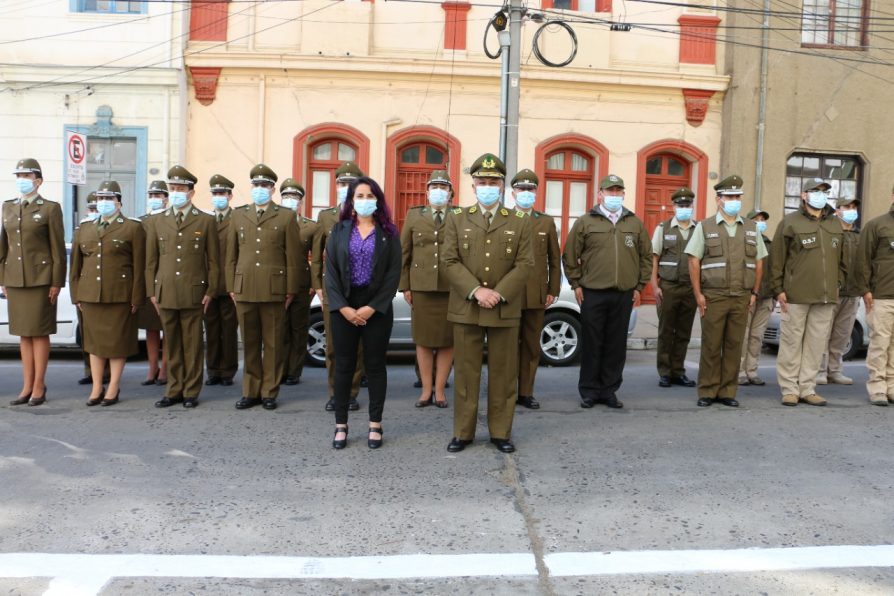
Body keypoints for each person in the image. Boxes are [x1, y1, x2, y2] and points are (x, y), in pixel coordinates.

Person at [443, 153, 533, 454]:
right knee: (466, 374)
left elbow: (525, 264)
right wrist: (476, 291)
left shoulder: (520, 221)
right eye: (482, 181)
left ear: (502, 185)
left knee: (503, 373)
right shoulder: (457, 218)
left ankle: (500, 432)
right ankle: (463, 432)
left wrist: (498, 293)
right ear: (473, 185)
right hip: (467, 307)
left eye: (493, 182)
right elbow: (449, 260)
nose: (488, 186)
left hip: (504, 308)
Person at [562, 174, 651, 410]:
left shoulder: (634, 223)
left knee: (615, 345)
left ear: (623, 194)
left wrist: (640, 286)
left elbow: (645, 257)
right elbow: (570, 255)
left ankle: (609, 390)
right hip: (593, 292)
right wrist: (576, 284)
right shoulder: (585, 222)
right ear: (599, 194)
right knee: (592, 343)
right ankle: (590, 391)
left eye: (617, 191)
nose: (613, 196)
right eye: (609, 191)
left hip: (624, 293)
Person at [326, 176, 401, 449]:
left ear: (378, 201)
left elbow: (393, 275)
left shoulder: (389, 234)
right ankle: (341, 424)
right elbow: (330, 274)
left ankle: (375, 425)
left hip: (376, 306)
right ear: (351, 201)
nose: (365, 201)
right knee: (344, 366)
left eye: (370, 196)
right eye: (359, 196)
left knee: (375, 365)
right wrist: (344, 308)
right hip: (344, 304)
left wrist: (371, 308)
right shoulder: (339, 231)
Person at [227, 164, 303, 410]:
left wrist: (290, 290)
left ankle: (269, 391)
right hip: (245, 287)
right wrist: (232, 286)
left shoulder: (285, 216)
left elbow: (293, 257)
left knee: (272, 343)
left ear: (272, 189)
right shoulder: (238, 215)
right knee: (249, 342)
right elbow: (231, 255)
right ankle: (251, 391)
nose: (259, 189)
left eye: (265, 186)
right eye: (256, 185)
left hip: (274, 289)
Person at [686, 176, 766, 407]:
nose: (734, 201)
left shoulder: (751, 228)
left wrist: (754, 293)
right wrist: (698, 295)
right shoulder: (705, 226)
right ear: (718, 200)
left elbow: (759, 262)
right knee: (711, 345)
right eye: (730, 197)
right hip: (714, 295)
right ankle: (708, 391)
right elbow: (694, 261)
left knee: (734, 345)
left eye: (737, 197)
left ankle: (728, 392)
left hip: (741, 296)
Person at [146, 167, 220, 409]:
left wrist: (210, 291)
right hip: (166, 290)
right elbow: (151, 261)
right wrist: (152, 292)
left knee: (192, 343)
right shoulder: (158, 221)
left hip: (193, 291)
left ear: (191, 192)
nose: (176, 193)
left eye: (181, 189)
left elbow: (213, 261)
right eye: (173, 189)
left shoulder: (206, 220)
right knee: (172, 342)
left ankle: (191, 390)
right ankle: (173, 389)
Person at [769, 178, 845, 407]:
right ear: (804, 195)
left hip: (825, 296)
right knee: (792, 343)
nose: (820, 195)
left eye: (824, 191)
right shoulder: (790, 223)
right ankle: (790, 388)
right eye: (815, 191)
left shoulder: (834, 224)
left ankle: (807, 388)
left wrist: (838, 283)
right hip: (795, 295)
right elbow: (776, 259)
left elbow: (841, 260)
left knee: (815, 345)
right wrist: (778, 289)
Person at [69, 180, 145, 406]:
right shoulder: (85, 228)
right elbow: (76, 266)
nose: (104, 203)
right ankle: (96, 387)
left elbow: (139, 266)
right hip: (91, 295)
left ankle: (113, 386)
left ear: (119, 203)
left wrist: (136, 296)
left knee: (117, 343)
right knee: (94, 344)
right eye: (100, 199)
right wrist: (76, 295)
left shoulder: (132, 228)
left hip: (119, 294)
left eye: (109, 199)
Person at [1, 158, 66, 407]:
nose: (22, 180)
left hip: (41, 280)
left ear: (38, 181)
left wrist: (56, 282)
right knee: (23, 334)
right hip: (15, 278)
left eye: (26, 176)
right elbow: (3, 246)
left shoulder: (50, 208)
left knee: (39, 333)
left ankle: (39, 384)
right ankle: (26, 384)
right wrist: (3, 279)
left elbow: (58, 249)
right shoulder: (7, 207)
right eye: (18, 176)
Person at [400, 170, 456, 408]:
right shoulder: (414, 216)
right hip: (421, 287)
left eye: (443, 188)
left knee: (447, 341)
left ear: (451, 193)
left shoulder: (459, 215)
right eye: (434, 187)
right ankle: (425, 390)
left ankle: (440, 390)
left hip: (450, 287)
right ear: (427, 191)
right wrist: (405, 286)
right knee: (422, 340)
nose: (438, 191)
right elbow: (404, 252)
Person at [312, 161, 365, 411]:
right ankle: (335, 392)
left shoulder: (367, 215)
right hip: (332, 289)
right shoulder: (325, 217)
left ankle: (351, 392)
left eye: (350, 184)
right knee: (334, 345)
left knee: (355, 346)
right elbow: (316, 255)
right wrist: (318, 286)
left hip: (359, 288)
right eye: (342, 183)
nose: (345, 187)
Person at [510, 169, 560, 409]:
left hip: (536, 295)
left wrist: (553, 289)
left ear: (536, 193)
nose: (526, 193)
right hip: (509, 295)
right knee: (507, 345)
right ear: (513, 193)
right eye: (522, 189)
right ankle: (506, 390)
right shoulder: (504, 218)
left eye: (530, 190)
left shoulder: (545, 222)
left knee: (531, 346)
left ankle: (526, 392)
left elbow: (554, 258)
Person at [651, 187, 698, 388]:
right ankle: (664, 372)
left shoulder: (699, 230)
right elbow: (654, 258)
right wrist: (654, 286)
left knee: (683, 332)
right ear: (674, 207)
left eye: (687, 205)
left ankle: (678, 371)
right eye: (681, 205)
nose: (684, 208)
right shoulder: (663, 228)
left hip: (690, 288)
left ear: (692, 207)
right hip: (668, 287)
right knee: (666, 331)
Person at [853, 186, 894, 406]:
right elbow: (863, 260)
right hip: (882, 296)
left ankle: (892, 386)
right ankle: (878, 387)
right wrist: (866, 290)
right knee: (880, 343)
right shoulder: (877, 225)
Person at [817, 197, 861, 386]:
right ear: (838, 210)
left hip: (852, 291)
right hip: (831, 291)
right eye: (847, 207)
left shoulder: (859, 235)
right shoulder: (831, 232)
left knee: (842, 334)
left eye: (853, 207)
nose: (851, 210)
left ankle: (834, 370)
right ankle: (819, 371)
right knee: (823, 333)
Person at [278, 178, 318, 386]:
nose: (290, 200)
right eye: (286, 197)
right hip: (277, 283)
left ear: (300, 202)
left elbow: (316, 257)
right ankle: (280, 368)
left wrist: (313, 283)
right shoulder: (274, 222)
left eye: (294, 197)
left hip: (302, 283)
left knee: (298, 328)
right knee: (279, 328)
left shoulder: (309, 226)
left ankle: (294, 370)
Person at [204, 174, 239, 387]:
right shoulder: (206, 220)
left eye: (222, 193)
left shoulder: (236, 218)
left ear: (230, 195)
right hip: (209, 284)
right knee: (211, 329)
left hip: (229, 284)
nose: (218, 197)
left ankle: (227, 371)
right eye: (215, 193)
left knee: (228, 330)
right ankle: (212, 370)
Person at [137, 180, 169, 386]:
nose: (154, 199)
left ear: (166, 199)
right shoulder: (141, 222)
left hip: (167, 279)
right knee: (150, 328)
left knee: (168, 328)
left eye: (158, 195)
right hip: (148, 280)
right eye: (152, 195)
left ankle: (165, 368)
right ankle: (152, 367)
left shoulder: (170, 219)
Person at [738, 209, 775, 386]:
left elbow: (775, 269)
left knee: (757, 336)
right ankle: (739, 372)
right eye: (756, 219)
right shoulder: (743, 240)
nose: (760, 222)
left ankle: (752, 371)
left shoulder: (769, 243)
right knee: (743, 335)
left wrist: (775, 295)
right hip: (747, 295)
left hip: (766, 297)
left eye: (762, 219)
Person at [76, 193, 102, 386]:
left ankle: (105, 371)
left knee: (105, 333)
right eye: (91, 209)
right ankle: (90, 370)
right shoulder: (81, 230)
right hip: (86, 289)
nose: (93, 213)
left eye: (96, 209)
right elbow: (75, 265)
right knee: (87, 334)